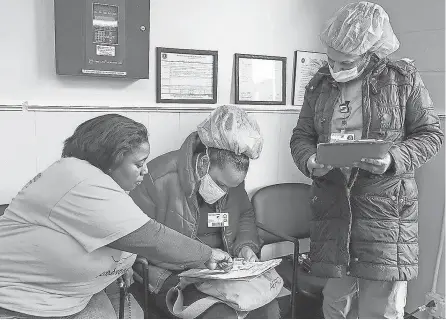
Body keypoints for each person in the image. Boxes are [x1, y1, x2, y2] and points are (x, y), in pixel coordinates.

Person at [289, 2, 444, 319]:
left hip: (384, 213)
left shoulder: (403, 81)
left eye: (344, 61)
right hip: (334, 209)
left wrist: (391, 159)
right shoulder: (320, 84)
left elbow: (432, 135)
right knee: (335, 303)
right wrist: (309, 161)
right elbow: (301, 137)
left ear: (371, 54)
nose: (335, 67)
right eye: (330, 59)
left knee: (380, 307)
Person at [0, 114, 232, 319]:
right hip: (23, 304)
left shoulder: (102, 186)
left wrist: (122, 265)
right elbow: (148, 236)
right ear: (110, 159)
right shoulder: (77, 177)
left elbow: (111, 232)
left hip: (73, 296)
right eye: (138, 163)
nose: (146, 170)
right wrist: (207, 255)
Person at [130, 105, 280, 318]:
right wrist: (200, 259)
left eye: (232, 186)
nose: (225, 192)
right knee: (219, 315)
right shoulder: (156, 178)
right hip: (172, 273)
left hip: (220, 269)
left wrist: (245, 246)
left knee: (267, 310)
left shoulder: (233, 180)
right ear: (204, 162)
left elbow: (245, 214)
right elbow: (136, 237)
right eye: (220, 183)